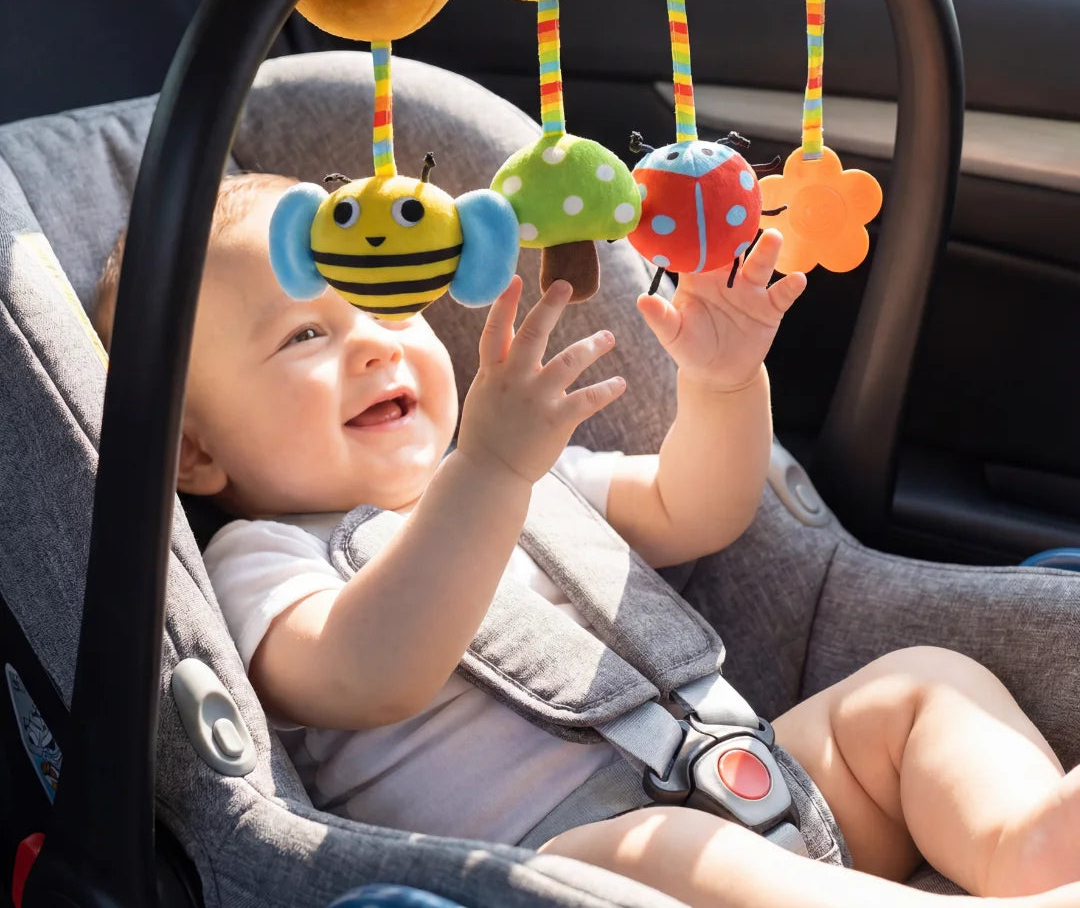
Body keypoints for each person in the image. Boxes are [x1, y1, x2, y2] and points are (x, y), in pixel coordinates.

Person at [93, 173, 1080, 908]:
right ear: (193, 452)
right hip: (571, 869)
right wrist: (489, 472)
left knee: (917, 688)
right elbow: (368, 672)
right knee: (652, 850)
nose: (373, 340)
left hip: (756, 782)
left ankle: (1033, 847)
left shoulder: (533, 479)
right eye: (304, 336)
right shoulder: (261, 560)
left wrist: (725, 385)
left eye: (388, 303)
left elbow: (700, 508)